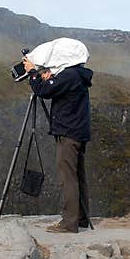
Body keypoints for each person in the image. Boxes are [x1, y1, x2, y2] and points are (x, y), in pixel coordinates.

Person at [21, 56, 93, 233]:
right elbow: (54, 89)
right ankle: (81, 219)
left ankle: (69, 224)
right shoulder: (77, 75)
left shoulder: (69, 75)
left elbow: (43, 90)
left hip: (68, 134)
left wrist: (32, 72)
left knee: (68, 179)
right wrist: (48, 77)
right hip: (78, 132)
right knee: (78, 176)